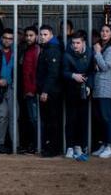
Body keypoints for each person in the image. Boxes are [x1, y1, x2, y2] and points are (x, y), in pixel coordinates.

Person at [62, 31, 93, 161]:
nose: (75, 45)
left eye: (78, 43)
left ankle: (79, 145)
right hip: (70, 89)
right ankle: (69, 146)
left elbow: (92, 72)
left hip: (84, 90)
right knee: (70, 119)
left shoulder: (90, 53)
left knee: (82, 119)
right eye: (73, 43)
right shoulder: (67, 54)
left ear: (83, 43)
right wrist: (73, 76)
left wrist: (89, 86)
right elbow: (63, 71)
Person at [92, 24, 111, 159]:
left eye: (107, 31)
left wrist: (97, 52)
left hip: (107, 88)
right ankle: (104, 144)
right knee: (100, 118)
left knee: (107, 117)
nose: (104, 33)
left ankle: (109, 146)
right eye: (102, 31)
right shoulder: (103, 48)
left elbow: (104, 67)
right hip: (99, 88)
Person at [37, 25, 63, 157]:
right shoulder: (46, 48)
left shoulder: (53, 49)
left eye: (45, 34)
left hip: (51, 92)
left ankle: (52, 149)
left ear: (51, 35)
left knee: (52, 121)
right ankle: (50, 147)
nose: (42, 37)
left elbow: (53, 73)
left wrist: (45, 91)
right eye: (41, 34)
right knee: (48, 121)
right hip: (48, 90)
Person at [0, 28, 16, 154]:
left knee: (14, 116)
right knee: (2, 115)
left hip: (11, 87)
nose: (7, 40)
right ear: (1, 38)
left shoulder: (16, 51)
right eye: (5, 38)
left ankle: (14, 144)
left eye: (10, 38)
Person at [19, 26, 41, 154]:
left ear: (36, 36)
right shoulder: (27, 49)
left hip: (33, 91)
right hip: (27, 90)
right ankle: (34, 144)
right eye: (27, 35)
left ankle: (37, 145)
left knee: (35, 119)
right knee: (32, 119)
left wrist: (31, 90)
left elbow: (35, 72)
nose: (28, 38)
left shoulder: (36, 50)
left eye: (31, 35)